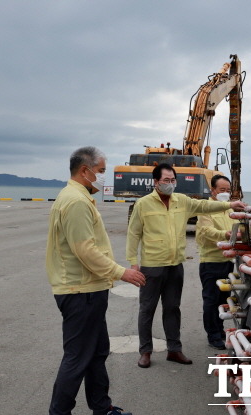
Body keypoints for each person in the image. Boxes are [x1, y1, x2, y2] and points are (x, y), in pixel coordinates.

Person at [46, 146, 146, 415]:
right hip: (81, 292)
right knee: (78, 358)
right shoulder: (76, 202)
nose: (103, 177)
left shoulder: (76, 197)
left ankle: (102, 407)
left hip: (89, 289)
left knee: (96, 353)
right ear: (84, 170)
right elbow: (85, 250)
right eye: (101, 171)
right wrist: (121, 272)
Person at [126, 163, 246, 368]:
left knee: (172, 308)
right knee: (147, 309)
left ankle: (174, 349)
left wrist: (229, 205)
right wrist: (133, 264)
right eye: (166, 180)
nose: (170, 184)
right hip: (152, 265)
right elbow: (134, 233)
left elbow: (205, 206)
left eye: (173, 180)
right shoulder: (143, 204)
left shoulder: (181, 201)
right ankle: (145, 351)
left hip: (175, 264)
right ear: (156, 182)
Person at [195, 174, 240, 349]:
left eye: (228, 190)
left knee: (224, 298)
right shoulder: (206, 208)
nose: (225, 193)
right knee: (211, 300)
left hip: (228, 261)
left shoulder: (229, 210)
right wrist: (225, 235)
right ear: (212, 191)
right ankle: (212, 335)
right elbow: (206, 231)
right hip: (211, 262)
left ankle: (219, 329)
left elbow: (238, 226)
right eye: (222, 190)